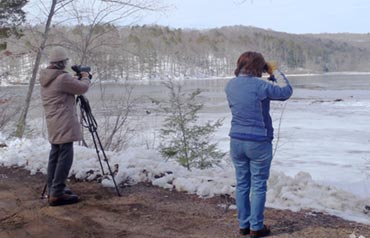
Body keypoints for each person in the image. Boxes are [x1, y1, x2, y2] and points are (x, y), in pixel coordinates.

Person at [225, 51, 293, 237]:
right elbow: (285, 91)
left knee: (242, 184)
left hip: (236, 141)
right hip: (258, 142)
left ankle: (243, 225)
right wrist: (274, 71)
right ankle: (256, 227)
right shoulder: (260, 85)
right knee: (258, 185)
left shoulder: (230, 86)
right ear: (259, 67)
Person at [39, 47, 91, 206]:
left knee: (55, 153)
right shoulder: (62, 78)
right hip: (63, 121)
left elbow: (70, 87)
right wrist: (85, 76)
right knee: (65, 156)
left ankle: (54, 188)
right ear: (62, 63)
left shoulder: (47, 77)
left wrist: (77, 79)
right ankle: (57, 193)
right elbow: (82, 88)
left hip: (54, 120)